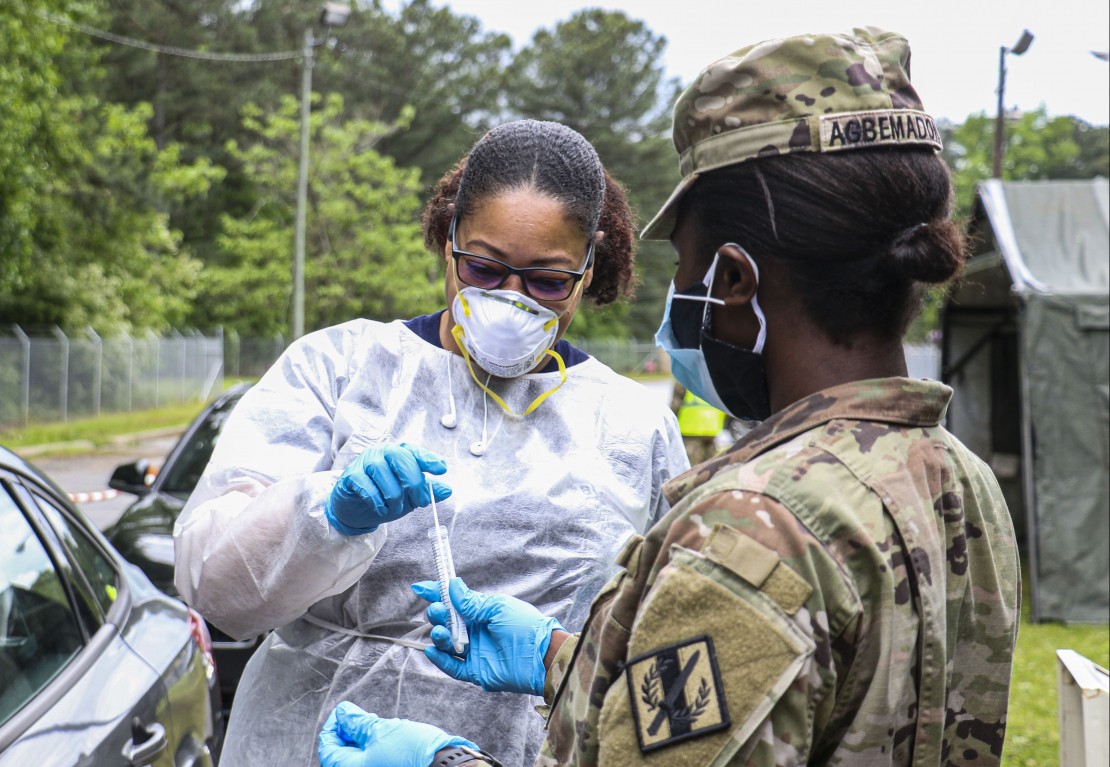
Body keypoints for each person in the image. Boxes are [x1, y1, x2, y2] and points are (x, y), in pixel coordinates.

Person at [318, 28, 1020, 767]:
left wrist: (443, 764)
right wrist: (562, 658)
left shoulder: (755, 530)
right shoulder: (958, 482)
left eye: (684, 264)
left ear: (735, 281)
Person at [173, 119, 689, 766]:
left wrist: (556, 656)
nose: (510, 300)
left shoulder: (632, 425)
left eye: (547, 281)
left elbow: (671, 648)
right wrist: (323, 513)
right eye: (483, 267)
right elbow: (215, 590)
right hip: (313, 742)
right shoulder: (341, 369)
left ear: (590, 267)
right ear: (448, 241)